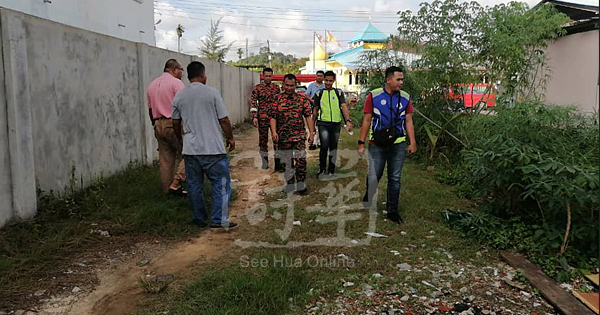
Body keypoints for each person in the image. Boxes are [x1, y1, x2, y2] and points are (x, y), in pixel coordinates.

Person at [172, 61, 237, 229]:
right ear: (202, 75)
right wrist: (230, 137)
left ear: (188, 75)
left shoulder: (180, 95)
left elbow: (175, 122)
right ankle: (218, 219)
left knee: (194, 185)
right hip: (213, 148)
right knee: (220, 183)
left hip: (191, 150)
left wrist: (181, 139)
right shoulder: (212, 93)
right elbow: (224, 119)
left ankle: (199, 218)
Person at [357, 66, 417, 224]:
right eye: (398, 79)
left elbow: (409, 121)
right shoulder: (374, 96)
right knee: (375, 174)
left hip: (398, 144)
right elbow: (367, 120)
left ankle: (392, 210)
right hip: (377, 143)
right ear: (388, 80)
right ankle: (369, 195)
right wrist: (361, 142)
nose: (401, 83)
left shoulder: (405, 97)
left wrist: (412, 142)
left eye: (402, 79)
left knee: (395, 178)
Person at [269, 74, 315, 195]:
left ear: (295, 85)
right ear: (283, 85)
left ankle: (301, 184)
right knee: (286, 162)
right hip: (283, 137)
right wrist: (274, 132)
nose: (289, 88)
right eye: (287, 85)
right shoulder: (277, 99)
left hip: (298, 136)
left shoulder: (301, 100)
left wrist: (311, 133)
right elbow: (273, 117)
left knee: (301, 161)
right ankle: (290, 184)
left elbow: (308, 117)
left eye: (292, 85)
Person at [146, 59, 187, 195]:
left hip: (158, 124)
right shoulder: (176, 83)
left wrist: (155, 124)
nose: (182, 73)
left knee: (165, 160)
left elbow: (151, 110)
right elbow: (184, 105)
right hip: (173, 123)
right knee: (189, 153)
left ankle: (167, 192)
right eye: (181, 69)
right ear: (174, 69)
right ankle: (177, 181)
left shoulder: (151, 85)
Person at [312, 71, 353, 178]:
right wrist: (312, 127)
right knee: (324, 145)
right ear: (324, 80)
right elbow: (315, 110)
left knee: (333, 147)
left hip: (335, 123)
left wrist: (348, 121)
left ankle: (331, 170)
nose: (329, 83)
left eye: (331, 81)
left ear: (334, 81)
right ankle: (322, 169)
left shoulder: (338, 93)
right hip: (323, 123)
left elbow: (344, 106)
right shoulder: (319, 94)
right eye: (327, 80)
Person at [250, 68, 281, 170]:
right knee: (263, 141)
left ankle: (278, 164)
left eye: (270, 76)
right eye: (266, 76)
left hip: (275, 118)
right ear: (263, 76)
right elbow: (253, 102)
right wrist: (254, 116)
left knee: (276, 140)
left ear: (272, 76)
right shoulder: (257, 88)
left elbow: (280, 102)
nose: (268, 78)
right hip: (262, 117)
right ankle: (265, 162)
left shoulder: (276, 88)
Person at [305, 70, 325, 150]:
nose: (319, 77)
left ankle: (319, 142)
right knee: (311, 125)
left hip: (322, 109)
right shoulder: (311, 85)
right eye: (318, 75)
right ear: (316, 76)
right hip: (312, 108)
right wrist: (312, 101)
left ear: (323, 77)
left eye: (321, 76)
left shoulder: (324, 86)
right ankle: (312, 142)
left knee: (319, 126)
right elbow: (306, 95)